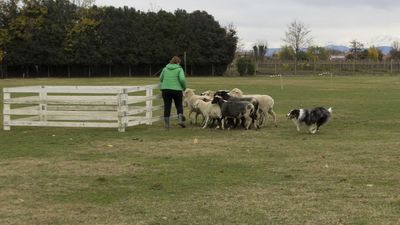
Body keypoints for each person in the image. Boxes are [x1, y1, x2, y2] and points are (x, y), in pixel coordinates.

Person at [159, 56, 187, 129]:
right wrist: (184, 87)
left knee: (167, 106)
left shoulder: (165, 69)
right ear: (178, 62)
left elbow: (160, 78)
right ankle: (180, 120)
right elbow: (182, 79)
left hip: (165, 90)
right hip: (177, 90)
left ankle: (167, 125)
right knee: (179, 105)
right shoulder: (179, 69)